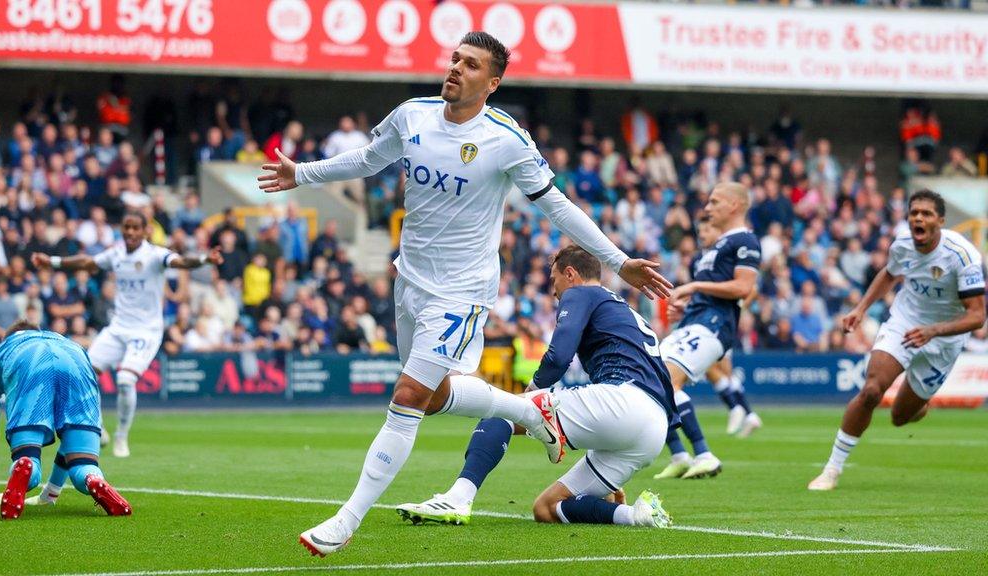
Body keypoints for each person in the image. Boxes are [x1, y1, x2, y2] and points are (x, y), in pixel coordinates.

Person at [258, 31, 672, 557]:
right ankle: (530, 413)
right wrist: (302, 174)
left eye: (470, 64)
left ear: (492, 82)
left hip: (463, 290)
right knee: (430, 399)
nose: (455, 68)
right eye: (455, 59)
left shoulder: (507, 138)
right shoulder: (413, 115)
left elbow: (558, 206)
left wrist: (618, 261)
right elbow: (366, 159)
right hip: (410, 280)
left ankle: (346, 520)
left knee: (406, 397)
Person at [396, 246, 676, 528]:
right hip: (654, 427)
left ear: (570, 274)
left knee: (503, 413)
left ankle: (458, 498)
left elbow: (558, 357)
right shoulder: (623, 309)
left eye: (554, 281)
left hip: (624, 401)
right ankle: (637, 515)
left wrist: (528, 393)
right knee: (547, 508)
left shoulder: (582, 292)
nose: (554, 293)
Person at [809, 190, 985, 491]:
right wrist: (861, 309)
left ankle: (919, 404)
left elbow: (977, 317)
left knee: (900, 417)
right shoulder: (903, 243)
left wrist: (933, 331)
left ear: (941, 221)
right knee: (871, 391)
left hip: (944, 338)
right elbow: (889, 275)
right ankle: (832, 470)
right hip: (904, 323)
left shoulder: (963, 257)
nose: (918, 217)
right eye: (914, 212)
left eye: (926, 213)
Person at [30, 213, 222, 458]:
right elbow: (87, 262)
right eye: (126, 227)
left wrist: (205, 258)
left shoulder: (155, 255)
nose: (130, 232)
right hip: (118, 327)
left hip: (146, 331)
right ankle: (97, 425)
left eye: (135, 228)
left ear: (144, 231)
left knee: (124, 380)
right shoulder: (116, 253)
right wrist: (53, 262)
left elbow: (182, 262)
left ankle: (121, 435)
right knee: (82, 373)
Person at [0, 320, 131, 519]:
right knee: (82, 461)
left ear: (9, 337)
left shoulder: (2, 350)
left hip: (29, 361)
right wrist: (50, 493)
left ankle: (25, 463)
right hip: (77, 359)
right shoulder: (64, 340)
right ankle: (92, 478)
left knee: (27, 457)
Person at [653, 183, 760, 480]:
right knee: (649, 378)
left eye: (714, 202)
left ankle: (704, 454)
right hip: (695, 322)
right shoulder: (713, 250)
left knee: (666, 381)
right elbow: (711, 298)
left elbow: (743, 288)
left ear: (734, 206)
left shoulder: (744, 240)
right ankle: (679, 454)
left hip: (714, 327)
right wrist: (684, 310)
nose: (707, 208)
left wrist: (695, 286)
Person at [676, 218, 761, 438]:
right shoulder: (697, 260)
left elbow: (750, 288)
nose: (702, 233)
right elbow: (702, 293)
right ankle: (745, 412)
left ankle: (739, 409)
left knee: (720, 370)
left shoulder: (727, 253)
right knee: (715, 370)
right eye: (700, 229)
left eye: (707, 228)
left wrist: (739, 307)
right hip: (700, 318)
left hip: (719, 321)